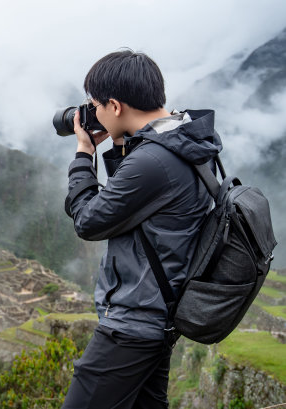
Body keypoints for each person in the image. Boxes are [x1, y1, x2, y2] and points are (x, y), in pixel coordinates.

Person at [61, 50, 222, 408]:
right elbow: (138, 203)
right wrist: (121, 143)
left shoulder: (153, 160)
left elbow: (88, 221)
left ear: (115, 106)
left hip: (132, 324)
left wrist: (83, 154)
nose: (94, 113)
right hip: (159, 316)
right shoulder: (185, 139)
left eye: (96, 105)